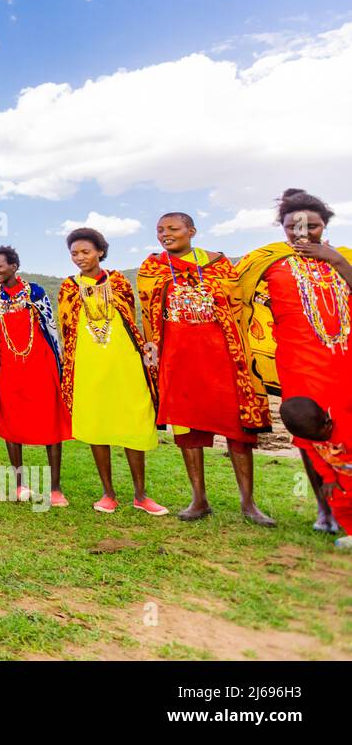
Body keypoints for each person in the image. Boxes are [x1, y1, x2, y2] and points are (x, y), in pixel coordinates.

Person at [138, 212, 274, 525]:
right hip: (178, 361)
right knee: (186, 429)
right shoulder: (153, 267)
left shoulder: (218, 264)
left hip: (223, 359)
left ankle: (248, 503)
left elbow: (238, 303)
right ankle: (198, 499)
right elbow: (148, 313)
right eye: (160, 230)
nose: (165, 234)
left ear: (191, 231)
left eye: (173, 229)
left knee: (238, 431)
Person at [238, 189, 352, 534]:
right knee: (309, 432)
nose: (302, 234)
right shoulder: (268, 262)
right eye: (292, 228)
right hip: (298, 361)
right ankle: (325, 508)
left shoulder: (344, 257)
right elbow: (236, 298)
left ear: (325, 225)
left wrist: (334, 260)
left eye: (312, 227)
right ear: (282, 228)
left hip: (345, 356)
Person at [57, 228, 166, 515]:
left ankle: (141, 495)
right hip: (88, 365)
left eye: (85, 252)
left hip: (125, 363)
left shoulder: (118, 281)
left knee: (135, 424)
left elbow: (131, 319)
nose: (80, 258)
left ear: (100, 252)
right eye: (74, 253)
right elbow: (67, 330)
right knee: (97, 426)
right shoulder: (68, 287)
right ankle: (108, 493)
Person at [0, 246, 70, 506]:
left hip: (41, 365)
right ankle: (19, 485)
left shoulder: (35, 292)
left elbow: (51, 329)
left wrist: (60, 364)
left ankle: (55, 488)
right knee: (11, 424)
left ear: (14, 265)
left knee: (51, 422)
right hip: (9, 369)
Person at [278, 397, 351, 550]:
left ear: (327, 421)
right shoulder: (307, 436)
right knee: (340, 507)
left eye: (323, 436)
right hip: (341, 476)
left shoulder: (346, 425)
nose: (320, 441)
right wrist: (329, 478)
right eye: (313, 439)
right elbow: (316, 457)